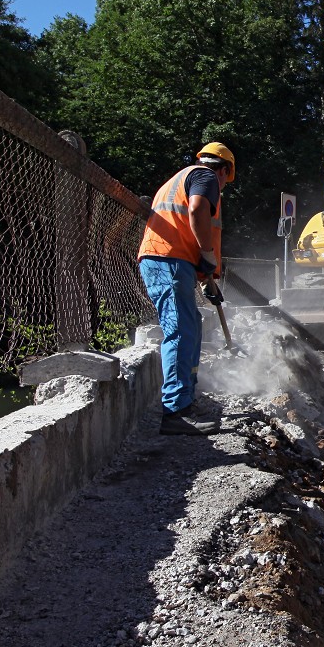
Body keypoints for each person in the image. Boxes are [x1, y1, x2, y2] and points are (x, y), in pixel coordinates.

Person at [137, 142, 236, 435]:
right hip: (167, 259)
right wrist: (207, 254)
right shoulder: (205, 176)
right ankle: (175, 411)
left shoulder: (181, 178)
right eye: (226, 180)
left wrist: (207, 280)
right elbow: (195, 212)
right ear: (224, 169)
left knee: (190, 326)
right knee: (179, 330)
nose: (223, 186)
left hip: (170, 260)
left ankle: (186, 399)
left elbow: (184, 228)